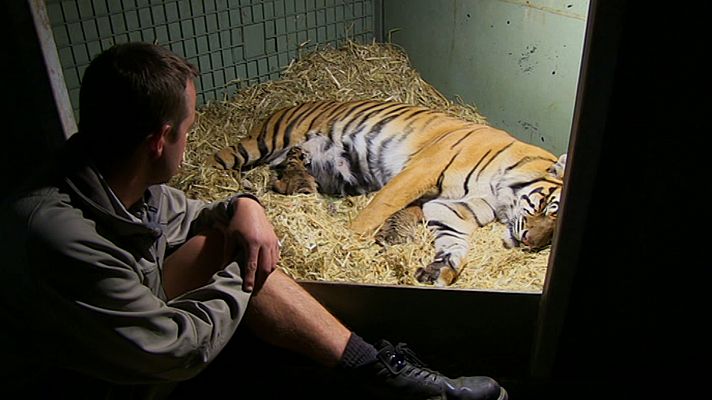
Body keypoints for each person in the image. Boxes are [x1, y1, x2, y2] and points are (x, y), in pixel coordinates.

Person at [0, 42, 507, 400]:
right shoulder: (56, 232)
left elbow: (192, 214)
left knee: (232, 242)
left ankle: (378, 370)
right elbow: (174, 351)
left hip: (132, 335)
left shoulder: (114, 174)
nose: (192, 141)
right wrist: (245, 270)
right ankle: (378, 373)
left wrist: (245, 206)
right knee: (242, 258)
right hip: (105, 382)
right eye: (189, 129)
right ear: (160, 140)